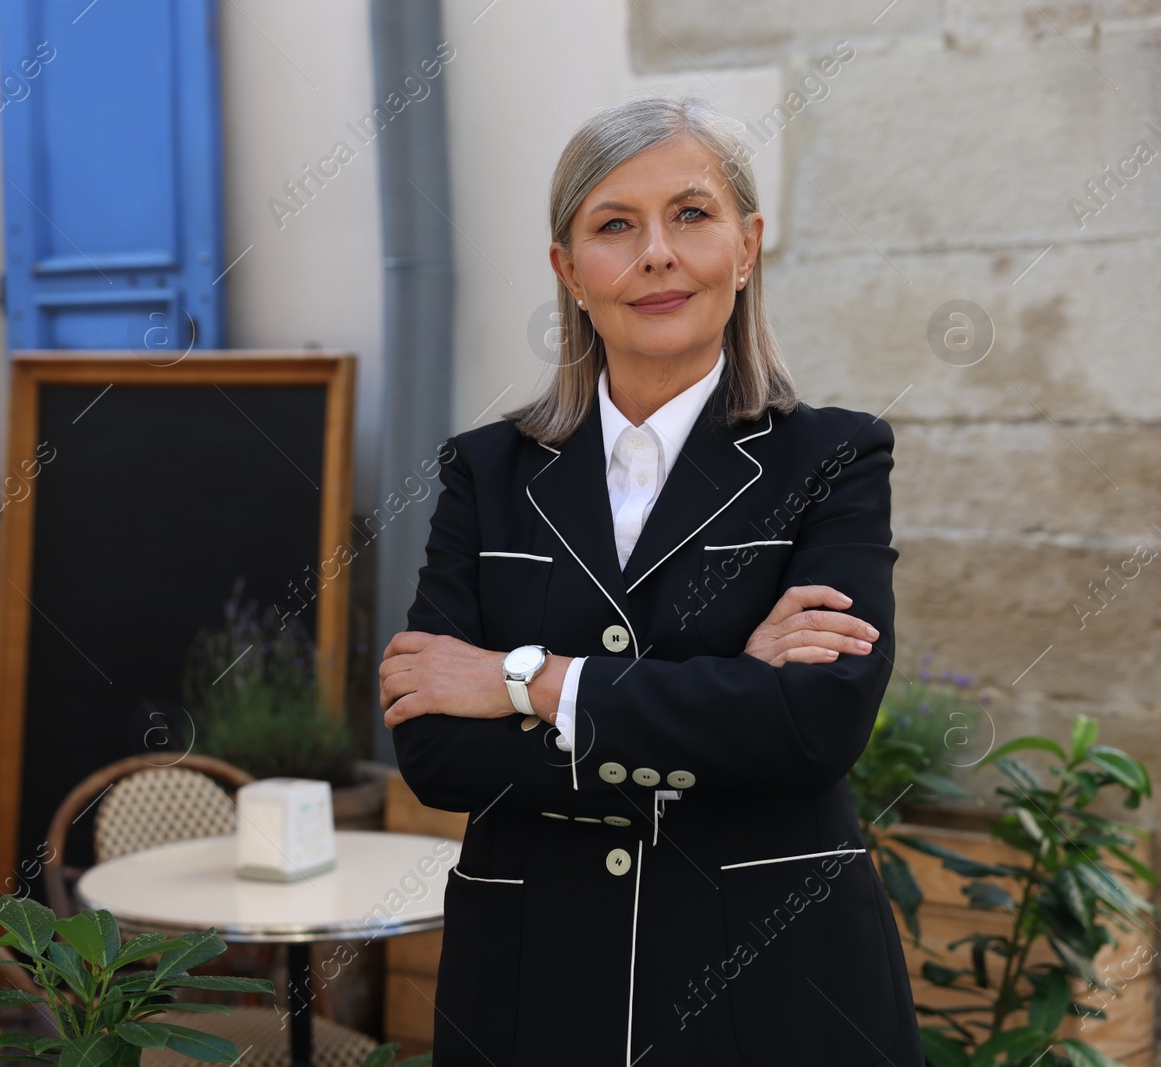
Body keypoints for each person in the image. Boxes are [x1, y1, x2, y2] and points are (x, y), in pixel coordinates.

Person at [379, 94, 924, 1066]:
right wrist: (728, 686)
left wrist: (525, 680)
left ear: (746, 245)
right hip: (537, 976)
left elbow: (815, 726)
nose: (656, 254)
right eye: (613, 226)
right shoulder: (485, 470)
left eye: (691, 214)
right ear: (568, 270)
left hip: (770, 977)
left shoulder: (833, 459)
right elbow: (432, 748)